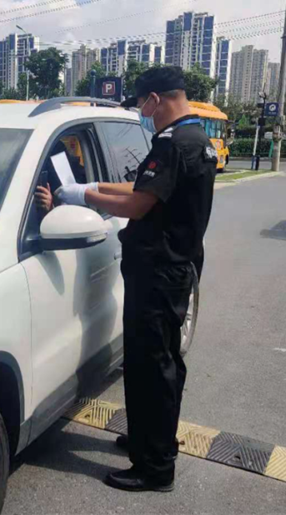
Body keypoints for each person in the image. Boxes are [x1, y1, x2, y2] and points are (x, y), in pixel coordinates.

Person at [55, 66, 217, 492]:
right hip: (174, 268)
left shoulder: (172, 144)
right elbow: (142, 188)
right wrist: (94, 186)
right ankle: (151, 438)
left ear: (155, 99)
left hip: (159, 271)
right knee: (160, 362)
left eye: (142, 103)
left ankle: (155, 467)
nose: (142, 112)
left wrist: (83, 195)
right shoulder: (195, 140)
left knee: (152, 366)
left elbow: (138, 205)